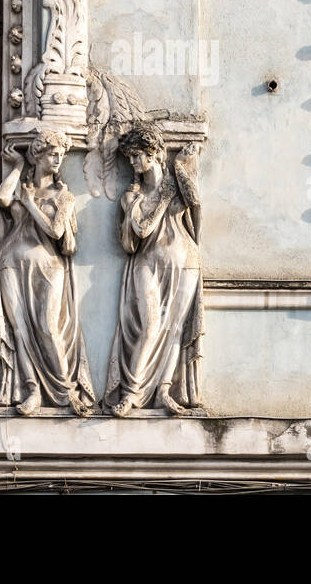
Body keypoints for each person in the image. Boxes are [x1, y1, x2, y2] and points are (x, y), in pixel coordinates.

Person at [0, 129, 97, 416]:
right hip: (12, 263)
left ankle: (65, 391)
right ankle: (32, 389)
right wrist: (16, 167)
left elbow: (56, 230)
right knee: (20, 329)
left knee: (49, 326)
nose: (58, 159)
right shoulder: (23, 185)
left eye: (61, 155)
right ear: (37, 155)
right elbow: (2, 199)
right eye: (52, 154)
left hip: (49, 266)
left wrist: (28, 203)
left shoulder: (63, 195)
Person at [105, 122, 204, 417]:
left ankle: (163, 391)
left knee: (174, 329)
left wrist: (180, 167)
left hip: (186, 261)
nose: (134, 163)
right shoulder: (132, 197)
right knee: (150, 326)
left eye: (137, 155)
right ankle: (132, 394)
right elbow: (136, 234)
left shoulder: (176, 185)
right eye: (130, 157)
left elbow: (196, 204)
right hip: (147, 262)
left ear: (154, 153)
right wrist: (157, 199)